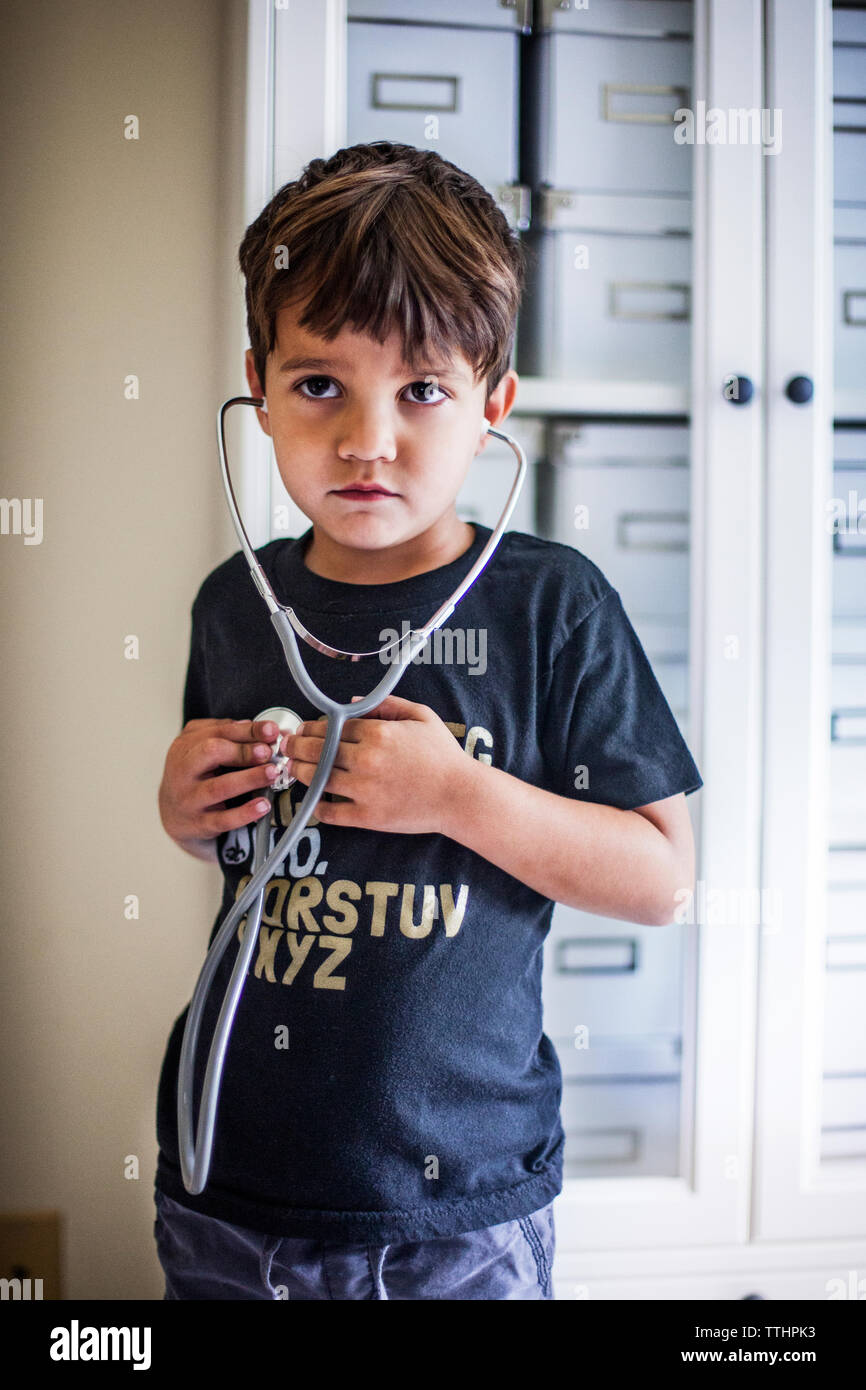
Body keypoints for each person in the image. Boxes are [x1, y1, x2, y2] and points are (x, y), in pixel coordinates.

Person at [153, 141, 703, 1301]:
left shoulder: (551, 606)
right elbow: (239, 854)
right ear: (256, 387)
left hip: (454, 1210)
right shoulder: (231, 603)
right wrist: (189, 815)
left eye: (420, 390)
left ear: (492, 402)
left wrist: (457, 795)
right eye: (318, 385)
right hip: (228, 1183)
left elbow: (658, 880)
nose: (366, 438)